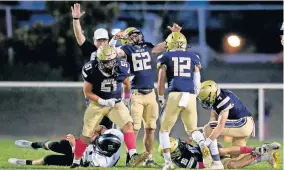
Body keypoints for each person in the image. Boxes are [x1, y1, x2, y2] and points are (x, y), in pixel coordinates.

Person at [71, 44, 148, 168]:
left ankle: (133, 155)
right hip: (97, 103)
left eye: (112, 61)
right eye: (106, 62)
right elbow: (87, 92)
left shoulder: (122, 67)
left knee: (128, 125)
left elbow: (127, 84)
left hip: (115, 102)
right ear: (99, 61)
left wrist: (126, 99)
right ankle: (76, 161)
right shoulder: (91, 69)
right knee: (87, 133)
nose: (110, 64)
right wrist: (103, 101)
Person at [156, 32, 212, 170]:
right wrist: (197, 94)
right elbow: (197, 80)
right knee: (192, 129)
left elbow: (161, 79)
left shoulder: (165, 56)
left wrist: (161, 96)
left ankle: (168, 163)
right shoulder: (194, 57)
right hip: (191, 95)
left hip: (175, 93)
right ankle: (202, 144)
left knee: (164, 130)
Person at [197, 80, 255, 168]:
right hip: (241, 125)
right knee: (233, 164)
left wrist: (207, 143)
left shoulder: (223, 99)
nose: (205, 102)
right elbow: (212, 120)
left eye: (206, 99)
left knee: (208, 128)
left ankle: (216, 162)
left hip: (243, 123)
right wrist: (207, 137)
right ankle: (263, 154)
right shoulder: (217, 97)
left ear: (212, 94)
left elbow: (220, 125)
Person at [8, 128, 124, 168]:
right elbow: (100, 128)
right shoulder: (116, 135)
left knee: (48, 159)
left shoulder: (102, 162)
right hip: (82, 146)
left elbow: (78, 159)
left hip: (80, 157)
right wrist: (93, 133)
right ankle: (34, 145)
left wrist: (74, 144)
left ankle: (27, 163)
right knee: (53, 145)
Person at [158, 137, 281, 169]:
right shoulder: (182, 162)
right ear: (174, 154)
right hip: (207, 161)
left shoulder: (181, 148)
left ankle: (258, 149)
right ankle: (265, 155)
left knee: (222, 151)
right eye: (177, 147)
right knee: (233, 165)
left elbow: (192, 141)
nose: (180, 145)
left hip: (206, 149)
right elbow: (202, 166)